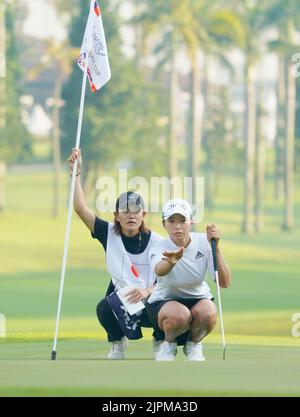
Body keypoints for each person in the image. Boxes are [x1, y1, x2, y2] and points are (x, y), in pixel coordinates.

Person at [67, 148, 164, 359]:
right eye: (125, 211)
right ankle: (117, 342)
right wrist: (76, 174)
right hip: (123, 298)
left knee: (169, 306)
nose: (131, 215)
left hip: (152, 298)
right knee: (103, 308)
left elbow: (168, 279)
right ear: (116, 215)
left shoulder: (158, 241)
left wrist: (147, 292)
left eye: (136, 211)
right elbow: (81, 208)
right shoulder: (108, 233)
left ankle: (160, 339)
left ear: (143, 215)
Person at [146, 198, 231, 361]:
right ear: (164, 224)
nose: (177, 226)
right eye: (171, 221)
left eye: (182, 220)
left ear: (190, 221)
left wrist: (217, 249)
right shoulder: (158, 247)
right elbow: (159, 270)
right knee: (180, 315)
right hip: (164, 302)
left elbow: (225, 282)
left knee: (209, 312)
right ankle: (168, 345)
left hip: (198, 299)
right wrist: (171, 261)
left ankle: (193, 345)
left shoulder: (204, 242)